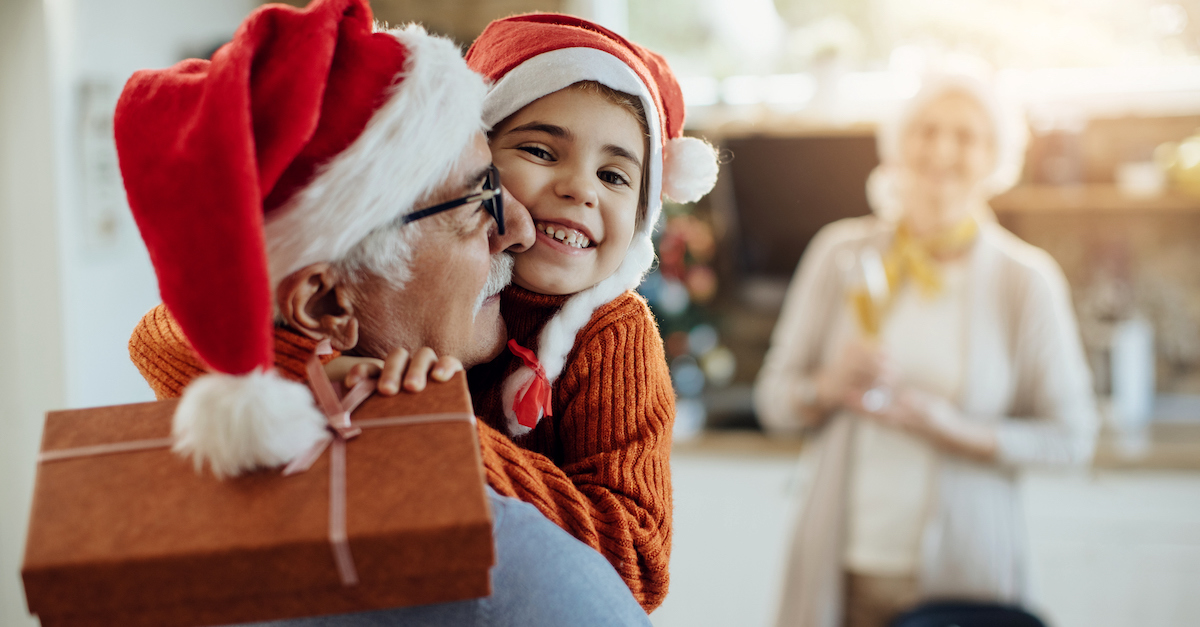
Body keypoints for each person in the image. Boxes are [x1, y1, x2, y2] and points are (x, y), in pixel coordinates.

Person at [119, 0, 650, 624]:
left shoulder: (602, 325)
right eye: (480, 196)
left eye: (616, 176)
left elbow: (191, 327)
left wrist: (387, 405)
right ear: (323, 304)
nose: (523, 228)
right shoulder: (504, 569)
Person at [754, 65, 1098, 627]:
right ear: (898, 146)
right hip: (842, 571)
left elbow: (1072, 437)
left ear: (996, 159)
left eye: (966, 136)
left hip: (965, 579)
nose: (942, 149)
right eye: (927, 130)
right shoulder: (839, 253)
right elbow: (774, 402)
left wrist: (953, 429)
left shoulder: (1025, 280)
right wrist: (827, 387)